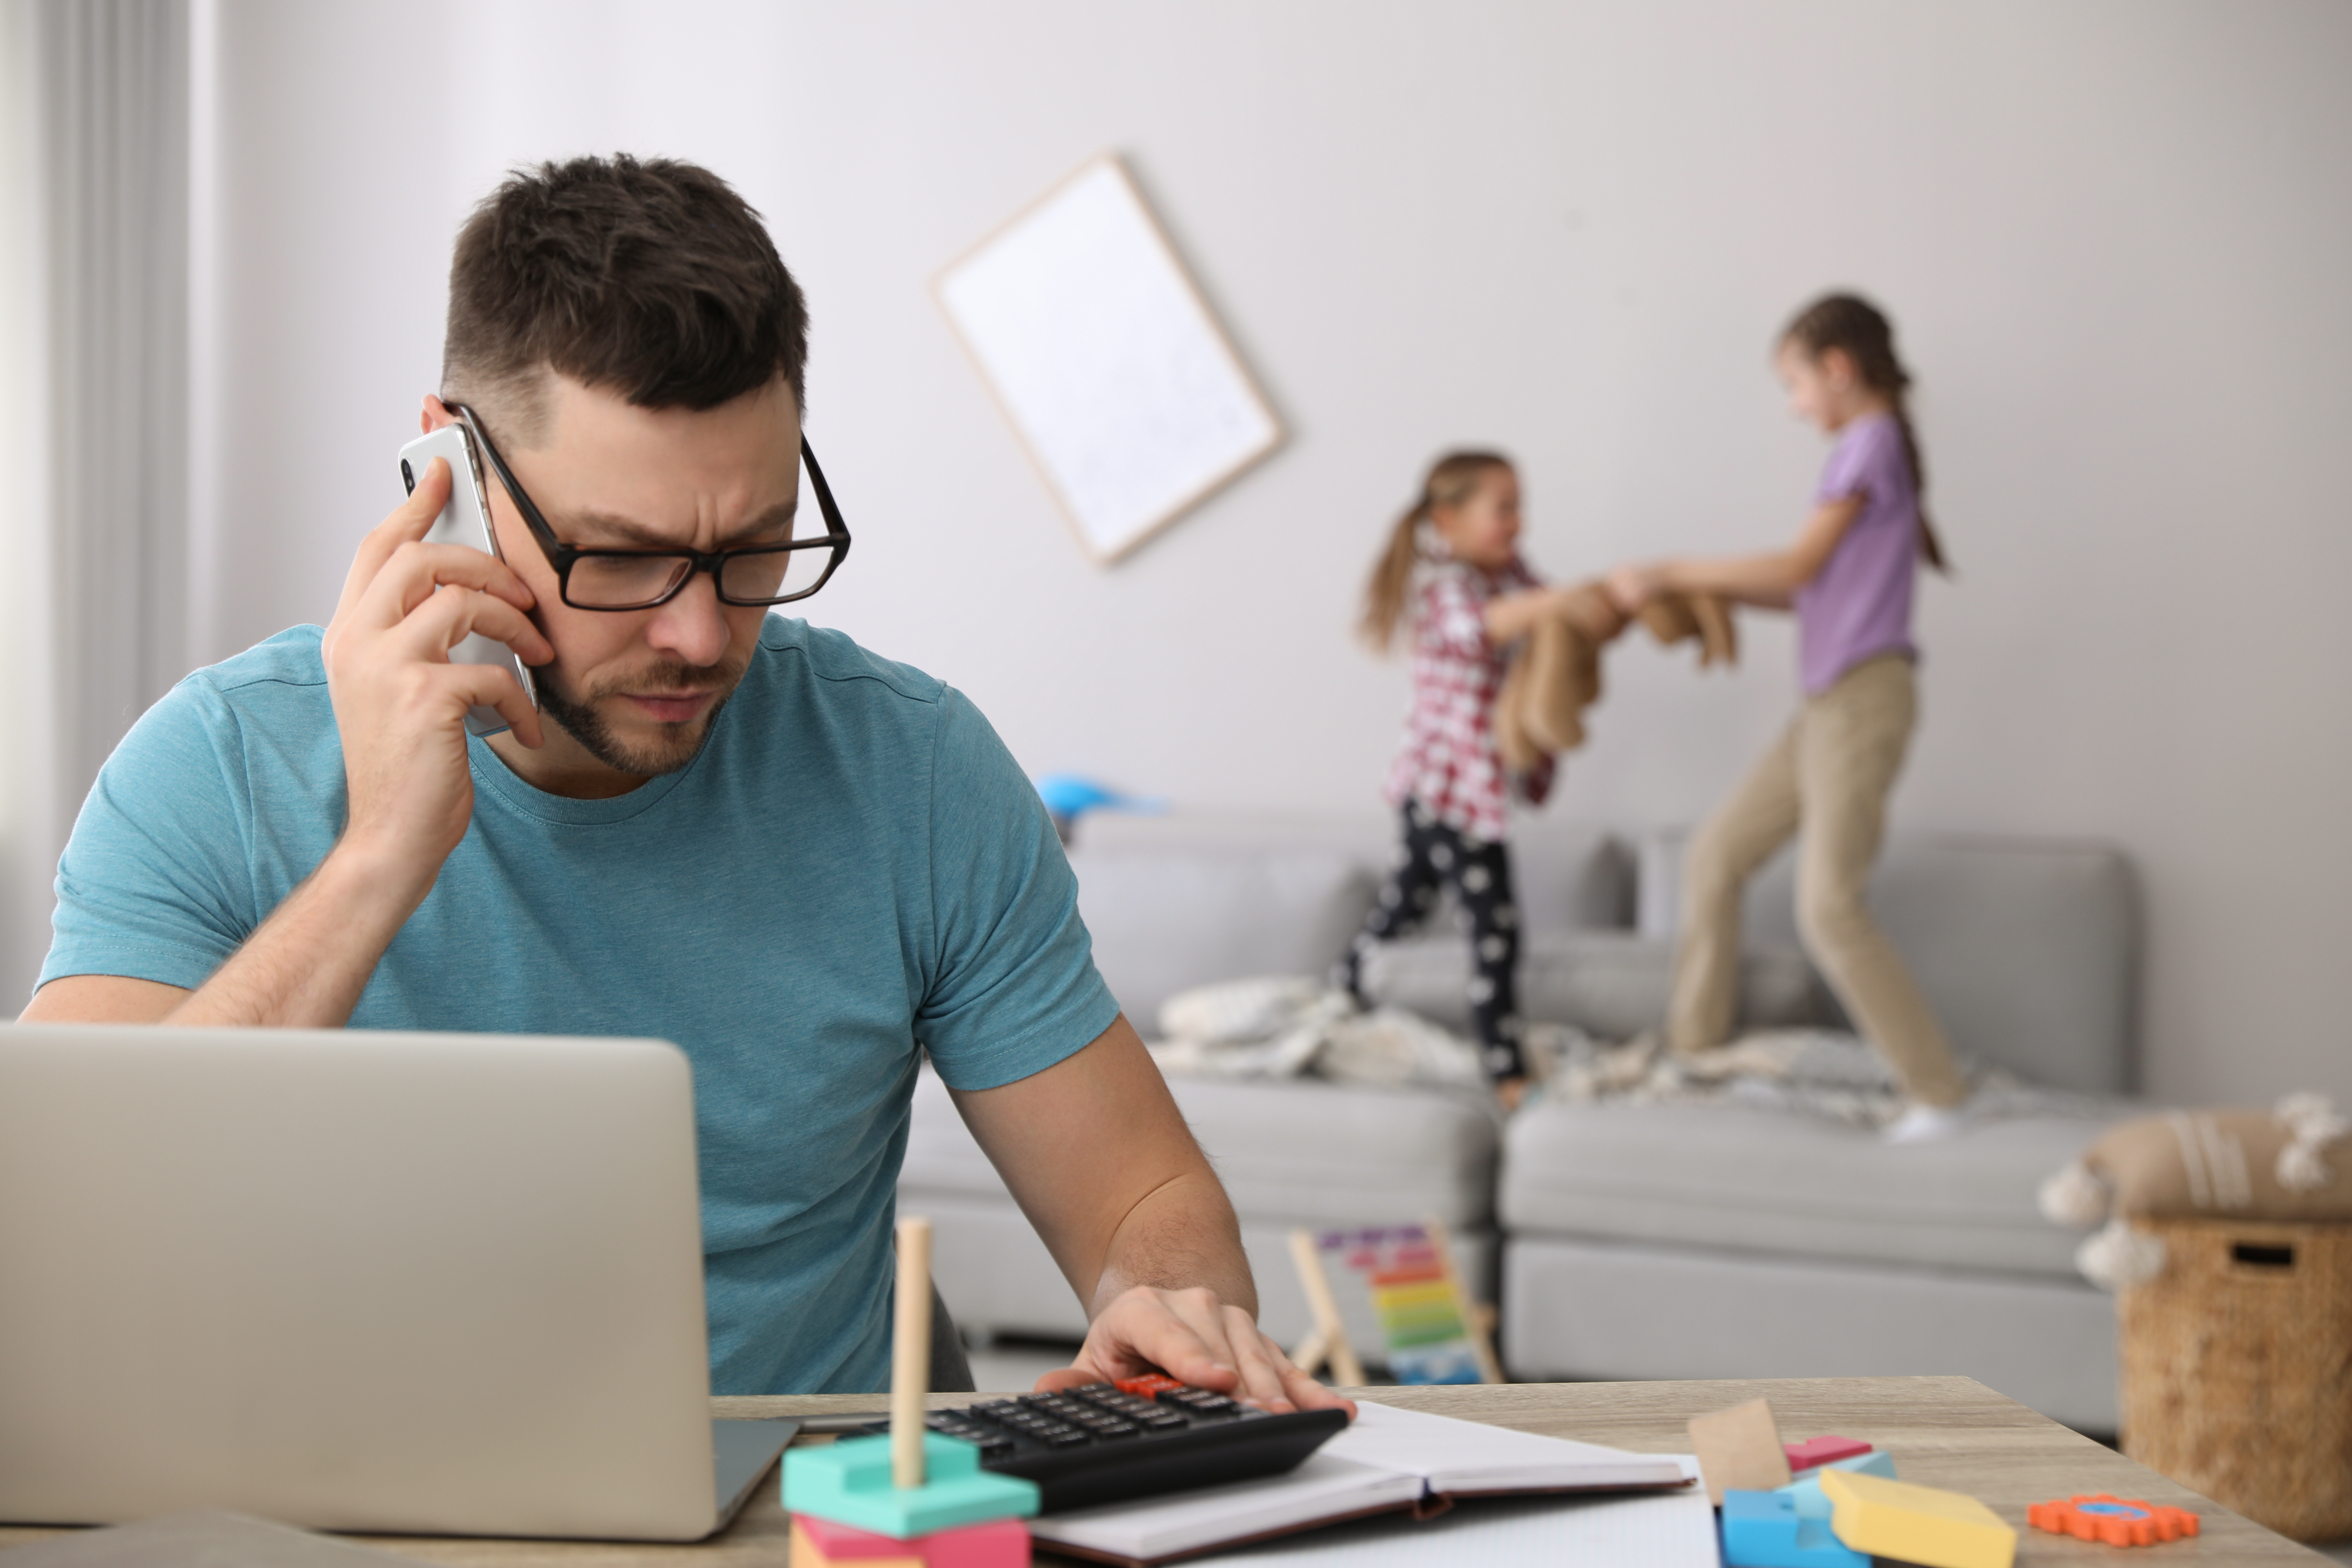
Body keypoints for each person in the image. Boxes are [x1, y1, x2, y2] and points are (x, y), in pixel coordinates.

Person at [22, 154, 1347, 1409]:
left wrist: (1169, 1304)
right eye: (622, 556)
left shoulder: (914, 771)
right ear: (453, 475)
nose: (703, 637)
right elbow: (61, 1246)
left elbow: (1139, 1201)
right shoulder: (214, 767)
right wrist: (377, 858)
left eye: (757, 547)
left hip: (804, 1528)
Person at [1607, 292, 1968, 1142]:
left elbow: (1799, 560)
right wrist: (1691, 587)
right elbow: (1805, 585)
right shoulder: (1866, 446)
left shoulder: (1869, 442)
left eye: (1796, 382)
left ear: (1837, 370)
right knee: (1715, 857)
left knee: (1830, 906)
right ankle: (1696, 1049)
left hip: (1863, 700)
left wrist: (1667, 570)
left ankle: (1940, 1093)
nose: (1794, 402)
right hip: (1823, 707)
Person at [1340, 452, 1610, 1112]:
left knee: (1402, 910)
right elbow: (1481, 632)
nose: (1518, 522)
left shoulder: (1510, 575)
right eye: (1504, 508)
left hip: (1457, 791)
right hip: (1446, 791)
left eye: (1521, 506)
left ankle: (1342, 995)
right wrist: (1561, 601)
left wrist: (1599, 605)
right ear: (1448, 519)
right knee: (1495, 931)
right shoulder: (1448, 586)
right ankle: (1506, 1073)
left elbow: (1551, 616)